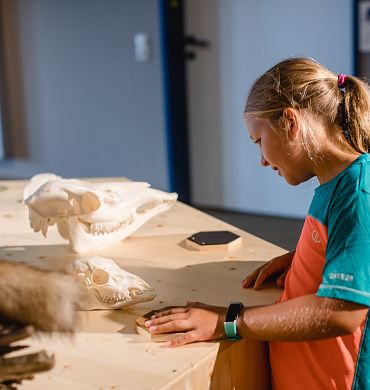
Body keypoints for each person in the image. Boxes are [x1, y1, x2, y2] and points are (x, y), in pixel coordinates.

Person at [144, 58, 370, 389]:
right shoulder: (336, 183)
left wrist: (227, 320)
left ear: (291, 122)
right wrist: (304, 260)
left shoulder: (357, 192)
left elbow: (339, 313)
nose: (262, 160)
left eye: (258, 141)